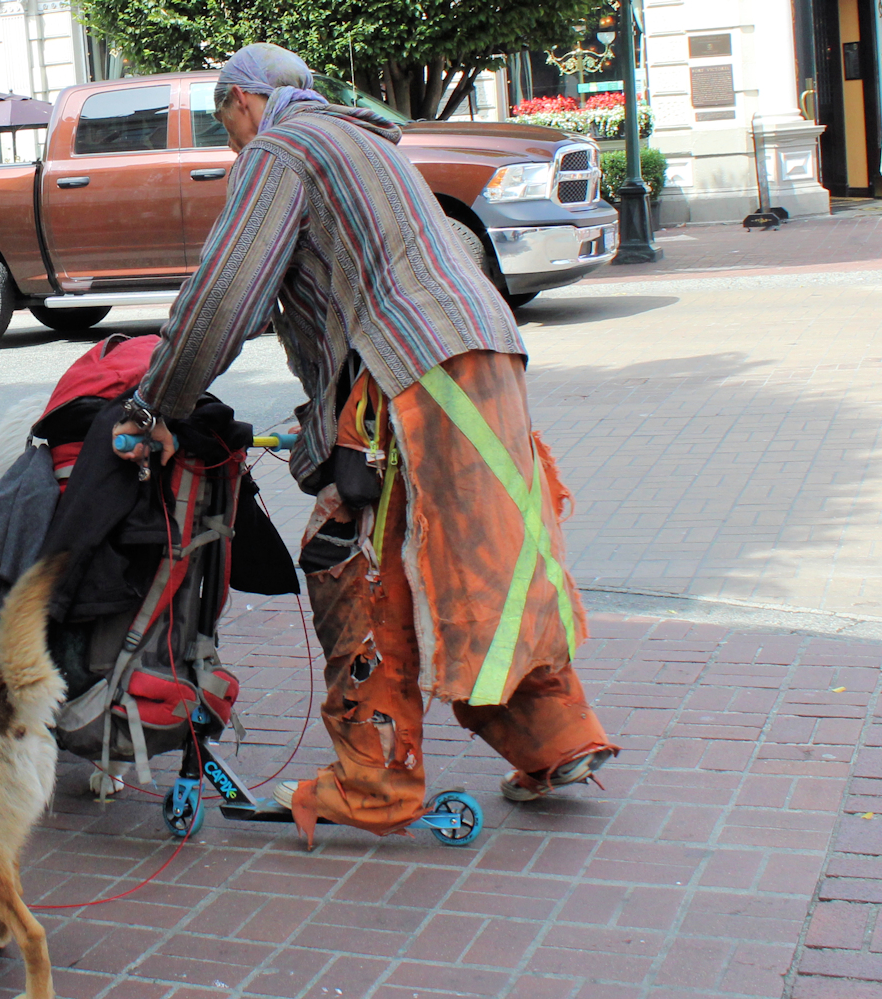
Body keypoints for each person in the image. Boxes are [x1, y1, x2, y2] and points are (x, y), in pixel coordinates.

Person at [113, 43, 617, 840]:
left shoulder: (282, 149)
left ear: (246, 100)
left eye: (223, 121)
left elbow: (223, 295)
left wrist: (153, 406)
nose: (230, 140)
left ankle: (374, 782)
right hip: (482, 349)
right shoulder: (363, 142)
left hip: (413, 370)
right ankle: (557, 739)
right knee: (484, 559)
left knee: (349, 557)